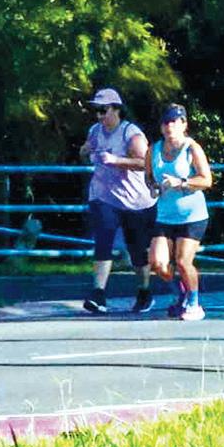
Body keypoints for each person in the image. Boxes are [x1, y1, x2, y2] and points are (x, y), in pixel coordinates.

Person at [79, 88, 158, 314]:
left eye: (103, 111)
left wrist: (116, 160)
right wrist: (85, 151)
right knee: (103, 240)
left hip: (134, 199)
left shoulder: (131, 134)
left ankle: (144, 291)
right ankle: (98, 294)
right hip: (104, 195)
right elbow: (86, 153)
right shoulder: (95, 131)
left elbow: (145, 163)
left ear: (116, 110)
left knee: (137, 249)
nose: (99, 116)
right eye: (96, 111)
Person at [146, 103, 213, 320]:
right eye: (165, 123)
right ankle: (182, 291)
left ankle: (194, 304)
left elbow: (206, 180)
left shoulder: (192, 148)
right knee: (158, 264)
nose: (169, 127)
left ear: (184, 124)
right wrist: (154, 188)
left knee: (183, 262)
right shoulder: (153, 150)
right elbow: (149, 177)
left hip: (192, 216)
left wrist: (181, 183)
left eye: (174, 122)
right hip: (165, 215)